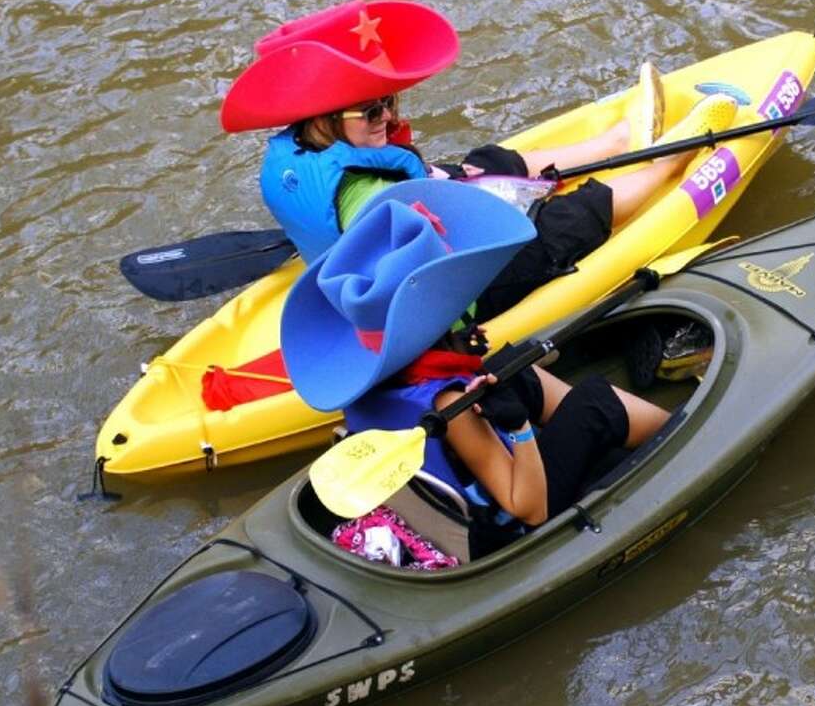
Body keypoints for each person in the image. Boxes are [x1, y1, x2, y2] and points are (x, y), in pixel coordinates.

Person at [222, 0, 738, 319]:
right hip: (453, 296)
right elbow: (435, 265)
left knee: (486, 160)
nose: (385, 115)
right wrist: (505, 210)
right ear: (321, 117)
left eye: (390, 102)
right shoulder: (367, 198)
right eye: (371, 108)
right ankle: (669, 162)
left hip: (384, 240)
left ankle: (618, 141)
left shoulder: (297, 152)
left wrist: (452, 180)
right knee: (564, 222)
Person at [280, 178, 669, 528]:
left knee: (516, 369)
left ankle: (609, 437)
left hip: (460, 481)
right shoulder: (451, 404)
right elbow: (528, 508)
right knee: (594, 403)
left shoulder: (371, 382)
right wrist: (518, 430)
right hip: (510, 517)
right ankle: (678, 432)